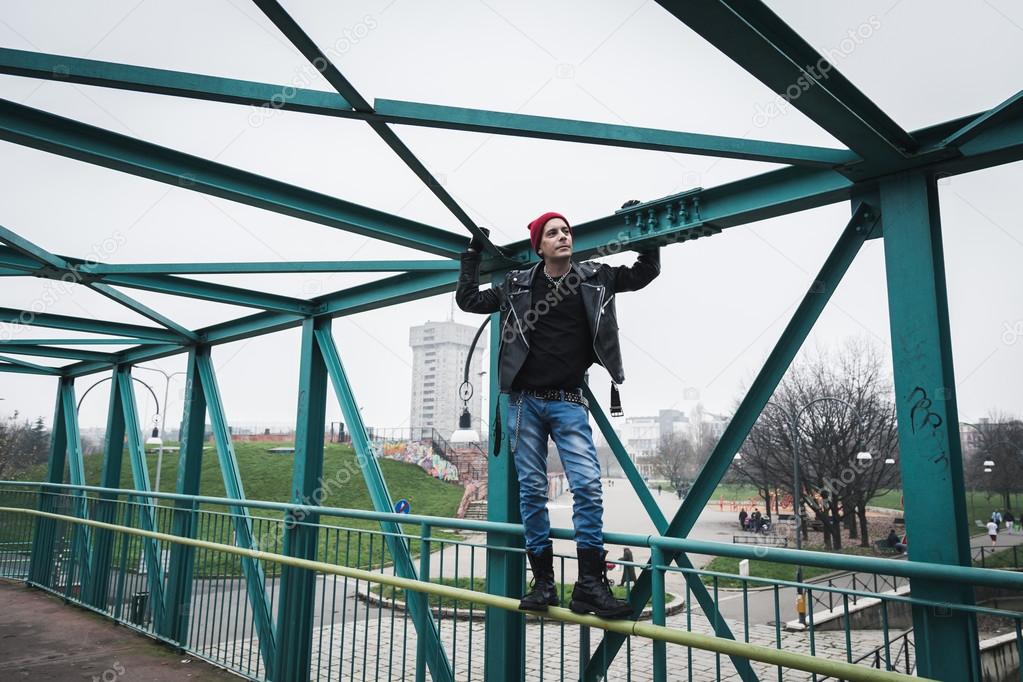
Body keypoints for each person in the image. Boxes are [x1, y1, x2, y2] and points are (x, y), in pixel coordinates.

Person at [456, 206, 660, 619]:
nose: (563, 236)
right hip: (523, 403)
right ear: (539, 247)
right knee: (531, 491)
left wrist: (642, 228)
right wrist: (473, 255)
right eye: (553, 233)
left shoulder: (596, 277)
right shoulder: (516, 285)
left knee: (586, 486)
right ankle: (543, 584)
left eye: (566, 230)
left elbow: (644, 272)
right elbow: (469, 300)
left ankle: (589, 586)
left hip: (568, 401)